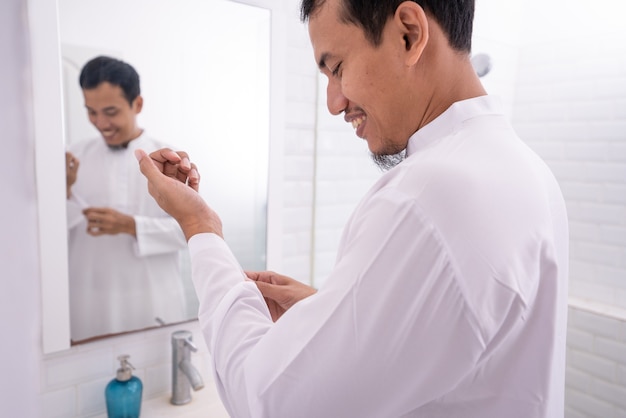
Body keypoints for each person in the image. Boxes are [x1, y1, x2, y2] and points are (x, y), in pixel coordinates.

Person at [135, 0, 569, 416]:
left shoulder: (429, 195)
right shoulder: (528, 171)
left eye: (337, 68)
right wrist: (333, 313)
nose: (334, 102)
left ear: (408, 34)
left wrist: (199, 225)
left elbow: (268, 403)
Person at [66, 56, 190, 342]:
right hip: (87, 305)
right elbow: (44, 235)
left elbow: (190, 232)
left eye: (110, 111)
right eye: (91, 112)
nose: (100, 123)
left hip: (150, 301)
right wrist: (64, 193)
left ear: (138, 104)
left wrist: (131, 226)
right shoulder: (72, 158)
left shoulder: (169, 159)